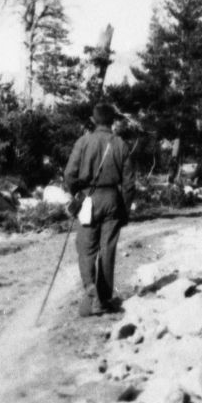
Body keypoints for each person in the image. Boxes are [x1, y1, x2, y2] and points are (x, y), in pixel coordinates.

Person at [64, 102, 136, 317]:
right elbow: (129, 183)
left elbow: (69, 174)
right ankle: (103, 299)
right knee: (108, 249)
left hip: (88, 198)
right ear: (113, 121)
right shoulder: (121, 144)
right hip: (113, 199)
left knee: (86, 247)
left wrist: (76, 192)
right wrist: (125, 209)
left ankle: (90, 289)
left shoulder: (83, 142)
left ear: (93, 120)